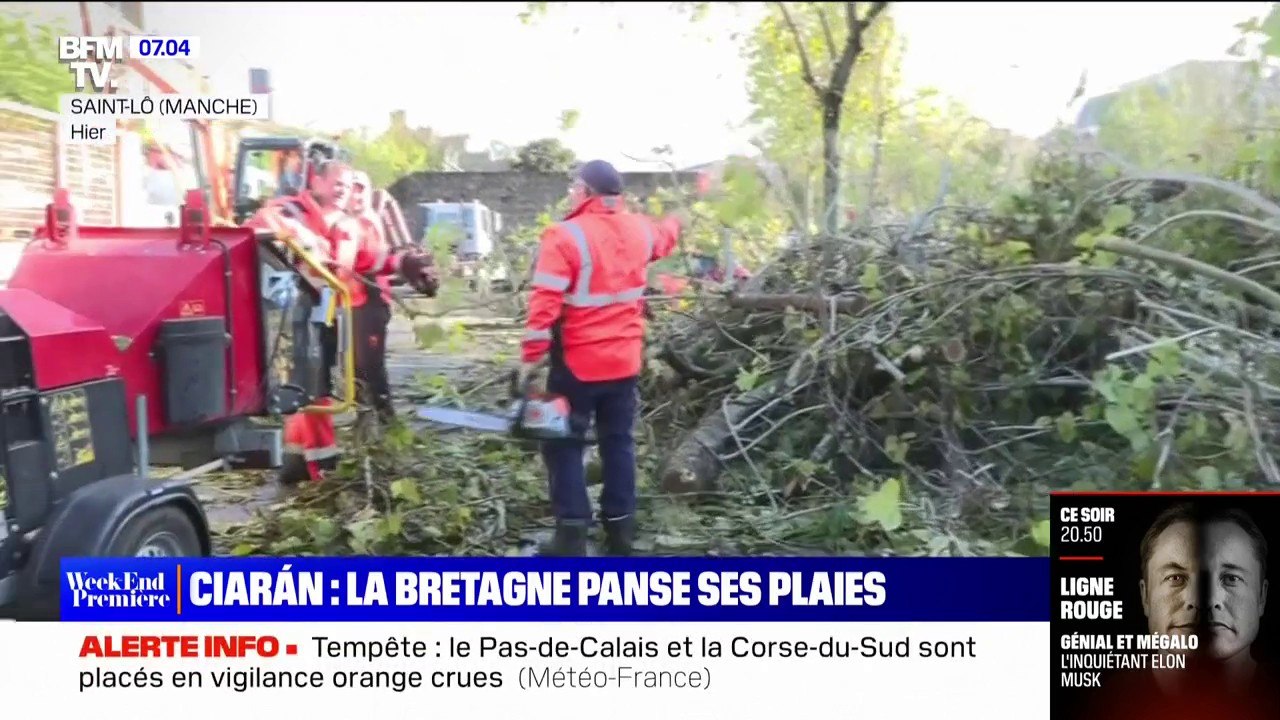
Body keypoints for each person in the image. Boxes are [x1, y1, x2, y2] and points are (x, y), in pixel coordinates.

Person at [519, 159, 686, 556]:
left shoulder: (564, 236)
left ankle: (572, 534)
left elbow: (545, 303)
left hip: (578, 363)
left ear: (586, 191)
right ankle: (620, 531)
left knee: (563, 443)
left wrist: (530, 358)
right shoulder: (641, 230)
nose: (571, 193)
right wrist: (678, 219)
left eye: (574, 187)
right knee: (618, 443)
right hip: (625, 360)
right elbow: (665, 237)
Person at [343, 170, 439, 424]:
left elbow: (377, 258)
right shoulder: (343, 222)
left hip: (369, 301)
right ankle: (365, 418)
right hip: (348, 302)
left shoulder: (368, 221)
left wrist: (409, 265)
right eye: (351, 189)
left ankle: (385, 419)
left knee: (370, 365)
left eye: (361, 188)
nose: (356, 195)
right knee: (355, 366)